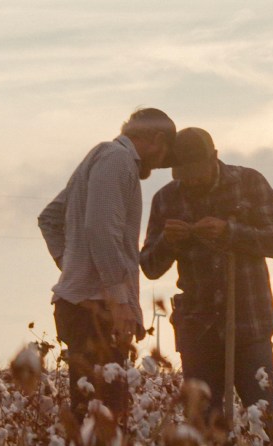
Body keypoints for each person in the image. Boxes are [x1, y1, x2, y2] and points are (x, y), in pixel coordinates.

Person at [38, 108, 176, 423]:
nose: (157, 166)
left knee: (93, 414)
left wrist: (72, 266)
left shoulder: (101, 159)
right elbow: (100, 229)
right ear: (156, 139)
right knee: (105, 420)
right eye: (163, 155)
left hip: (83, 305)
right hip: (97, 310)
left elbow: (49, 218)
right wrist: (119, 299)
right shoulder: (117, 160)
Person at [140, 127, 273, 417]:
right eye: (183, 174)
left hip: (250, 324)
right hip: (198, 329)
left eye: (197, 172)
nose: (191, 180)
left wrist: (229, 231)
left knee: (266, 420)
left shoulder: (249, 182)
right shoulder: (165, 200)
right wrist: (167, 242)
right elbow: (150, 267)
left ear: (214, 158)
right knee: (204, 428)